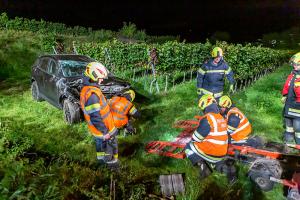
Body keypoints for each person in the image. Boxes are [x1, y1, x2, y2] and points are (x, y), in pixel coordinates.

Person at [185, 94, 235, 181]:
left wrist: (193, 137)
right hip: (222, 152)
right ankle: (222, 167)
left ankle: (204, 169)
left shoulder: (208, 118)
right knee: (215, 161)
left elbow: (196, 138)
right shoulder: (221, 117)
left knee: (188, 147)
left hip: (213, 152)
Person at [80, 62, 119, 169]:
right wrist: (105, 132)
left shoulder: (88, 89)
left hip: (97, 130)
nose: (102, 80)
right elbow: (95, 117)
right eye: (100, 78)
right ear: (94, 77)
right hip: (103, 129)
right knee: (108, 148)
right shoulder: (92, 95)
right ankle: (111, 166)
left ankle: (101, 162)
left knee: (99, 145)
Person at [281, 52, 300, 145]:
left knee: (298, 126)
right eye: (294, 64)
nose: (295, 66)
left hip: (298, 106)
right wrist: (284, 95)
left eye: (297, 64)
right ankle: (288, 141)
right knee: (288, 123)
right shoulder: (292, 74)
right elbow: (287, 86)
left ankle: (298, 143)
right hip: (289, 103)